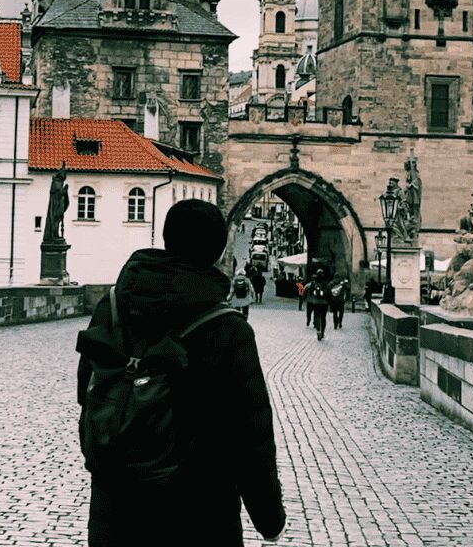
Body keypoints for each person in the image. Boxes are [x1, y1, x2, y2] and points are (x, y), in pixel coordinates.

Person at [77, 199, 286, 546]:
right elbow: (251, 436)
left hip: (117, 508)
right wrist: (269, 518)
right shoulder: (228, 329)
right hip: (200, 512)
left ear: (165, 237)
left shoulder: (114, 306)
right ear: (217, 250)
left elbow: (88, 390)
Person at [307, 273, 331, 340]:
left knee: (317, 316)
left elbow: (310, 291)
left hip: (316, 302)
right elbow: (328, 293)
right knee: (323, 318)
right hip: (324, 303)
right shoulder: (326, 283)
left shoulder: (313, 283)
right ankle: (322, 332)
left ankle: (318, 330)